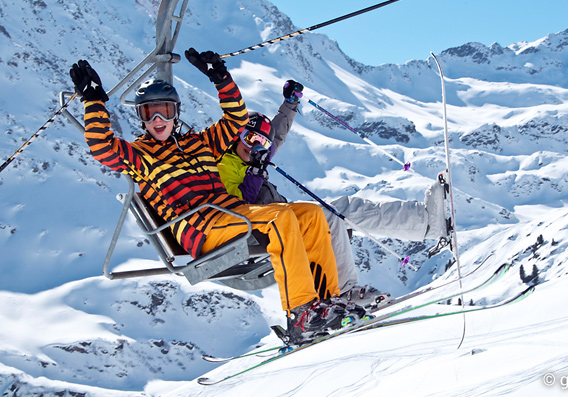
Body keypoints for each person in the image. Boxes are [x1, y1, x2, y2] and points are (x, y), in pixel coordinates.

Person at [69, 49, 364, 343]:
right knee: (280, 217)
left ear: (176, 113)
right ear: (141, 118)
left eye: (165, 111)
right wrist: (94, 101)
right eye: (149, 112)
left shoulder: (202, 143)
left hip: (232, 213)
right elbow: (102, 147)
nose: (158, 119)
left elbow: (236, 119)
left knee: (310, 215)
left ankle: (327, 304)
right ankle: (300, 314)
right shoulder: (140, 155)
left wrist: (220, 77)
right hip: (199, 227)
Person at [216, 81, 449, 308]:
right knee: (335, 215)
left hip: (282, 217)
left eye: (261, 143)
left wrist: (290, 104)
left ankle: (427, 222)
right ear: (237, 135)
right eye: (249, 138)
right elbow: (238, 207)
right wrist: (256, 172)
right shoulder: (224, 164)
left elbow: (277, 135)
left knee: (348, 208)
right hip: (265, 229)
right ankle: (345, 292)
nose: (255, 146)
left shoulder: (254, 156)